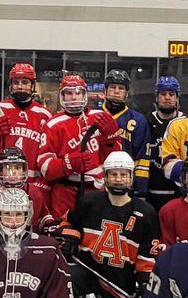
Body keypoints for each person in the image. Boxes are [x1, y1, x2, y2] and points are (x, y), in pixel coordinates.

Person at [60, 151, 159, 298]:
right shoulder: (89, 202)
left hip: (119, 278)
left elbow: (147, 254)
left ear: (131, 177)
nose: (118, 179)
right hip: (87, 267)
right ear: (105, 177)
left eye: (123, 174)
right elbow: (67, 223)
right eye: (113, 174)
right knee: (66, 280)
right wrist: (71, 239)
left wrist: (145, 281)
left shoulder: (146, 213)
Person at [36, 73, 124, 220]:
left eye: (78, 92)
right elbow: (45, 168)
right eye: (68, 93)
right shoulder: (52, 124)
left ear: (84, 94)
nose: (73, 97)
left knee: (95, 235)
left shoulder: (100, 117)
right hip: (65, 191)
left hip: (98, 190)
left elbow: (117, 159)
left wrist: (110, 139)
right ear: (61, 96)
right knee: (64, 233)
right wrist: (68, 163)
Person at [0, 62, 53, 198]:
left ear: (32, 86)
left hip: (32, 186)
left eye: (25, 82)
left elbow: (48, 155)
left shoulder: (45, 114)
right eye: (16, 82)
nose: (20, 86)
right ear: (10, 85)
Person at [0, 146, 54, 233]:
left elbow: (43, 219)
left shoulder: (34, 192)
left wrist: (55, 227)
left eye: (17, 168)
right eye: (8, 168)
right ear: (0, 171)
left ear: (24, 170)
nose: (13, 172)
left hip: (29, 243)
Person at [100, 69, 151, 194]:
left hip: (125, 183)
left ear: (126, 93)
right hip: (96, 182)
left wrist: (140, 189)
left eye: (121, 88)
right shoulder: (92, 117)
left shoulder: (138, 120)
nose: (116, 91)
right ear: (105, 91)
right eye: (112, 87)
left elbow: (142, 158)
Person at [143, 75, 184, 210]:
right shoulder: (145, 122)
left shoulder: (186, 123)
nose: (167, 97)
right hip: (150, 192)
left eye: (171, 94)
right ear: (156, 98)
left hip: (180, 191)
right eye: (163, 94)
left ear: (177, 98)